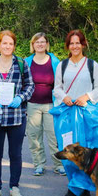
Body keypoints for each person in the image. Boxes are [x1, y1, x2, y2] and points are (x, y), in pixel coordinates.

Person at [0, 30, 34, 196]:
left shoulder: (21, 63)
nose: (7, 46)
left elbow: (30, 85)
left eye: (10, 43)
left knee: (15, 154)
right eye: (4, 43)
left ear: (14, 46)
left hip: (16, 116)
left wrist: (21, 97)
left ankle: (14, 186)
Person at [52, 29, 98, 196]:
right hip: (67, 114)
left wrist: (87, 97)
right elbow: (57, 88)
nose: (75, 46)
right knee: (67, 150)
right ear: (68, 46)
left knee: (86, 151)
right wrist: (64, 97)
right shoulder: (63, 65)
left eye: (78, 43)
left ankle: (84, 189)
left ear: (83, 44)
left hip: (86, 113)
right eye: (71, 43)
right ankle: (73, 186)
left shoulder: (92, 65)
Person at [24, 32, 65, 177]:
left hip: (51, 105)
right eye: (37, 42)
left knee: (54, 136)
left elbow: (61, 83)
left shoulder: (55, 61)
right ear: (33, 45)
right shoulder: (27, 62)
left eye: (43, 42)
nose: (40, 44)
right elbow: (22, 84)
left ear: (47, 44)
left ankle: (59, 164)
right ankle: (39, 164)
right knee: (34, 136)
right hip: (32, 104)